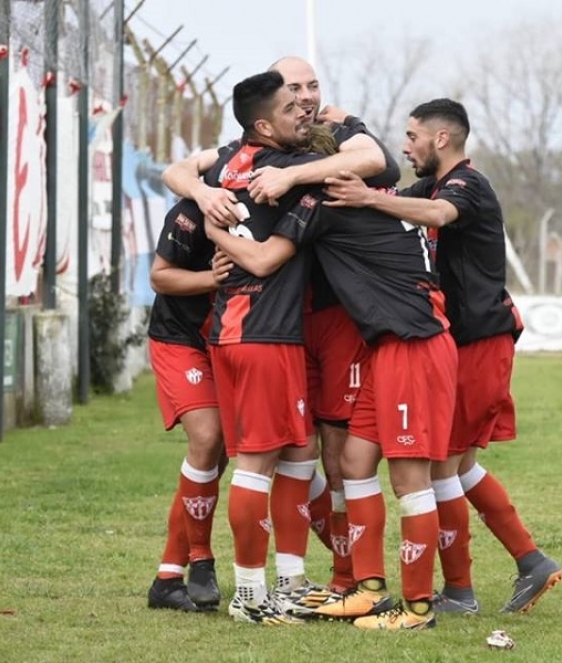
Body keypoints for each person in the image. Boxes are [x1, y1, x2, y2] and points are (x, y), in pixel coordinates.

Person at [203, 124, 457, 631]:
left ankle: (418, 608)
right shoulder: (360, 192)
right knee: (355, 460)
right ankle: (368, 590)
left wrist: (214, 226)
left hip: (414, 343)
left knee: (410, 477)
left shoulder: (323, 201)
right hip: (385, 346)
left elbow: (261, 257)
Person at [163, 59, 390, 604]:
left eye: (311, 90)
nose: (305, 102)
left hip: (251, 329)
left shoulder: (233, 163)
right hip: (265, 332)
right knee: (260, 461)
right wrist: (213, 210)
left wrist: (212, 196)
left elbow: (378, 160)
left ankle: (289, 581)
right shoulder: (290, 165)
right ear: (265, 120)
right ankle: (250, 592)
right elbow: (264, 258)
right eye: (292, 97)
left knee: (299, 453)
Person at [325, 98, 562, 615]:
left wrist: (368, 197)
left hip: (479, 341)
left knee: (442, 468)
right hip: (459, 344)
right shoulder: (428, 185)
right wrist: (347, 132)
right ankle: (529, 561)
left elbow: (435, 214)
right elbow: (386, 197)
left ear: (441, 139)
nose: (404, 146)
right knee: (458, 466)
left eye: (411, 136)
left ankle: (460, 591)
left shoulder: (464, 186)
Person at [144, 183, 232, 612]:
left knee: (217, 457)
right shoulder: (192, 210)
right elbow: (159, 276)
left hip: (229, 342)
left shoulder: (279, 195)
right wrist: (210, 279)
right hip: (179, 339)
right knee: (208, 437)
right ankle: (201, 560)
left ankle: (167, 577)